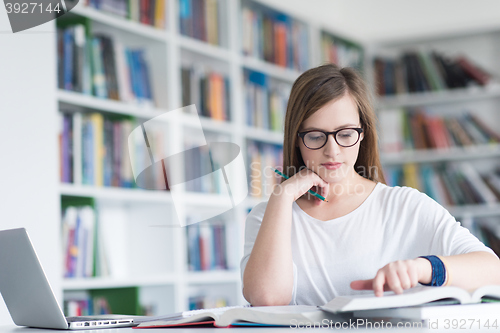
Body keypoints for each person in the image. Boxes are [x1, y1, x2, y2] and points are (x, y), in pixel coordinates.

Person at [240, 63, 500, 307]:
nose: (332, 150)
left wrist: (423, 268)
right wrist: (282, 197)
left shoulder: (403, 206)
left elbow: (492, 270)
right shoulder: (269, 216)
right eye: (316, 136)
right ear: (296, 138)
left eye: (345, 134)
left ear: (362, 134)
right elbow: (267, 298)